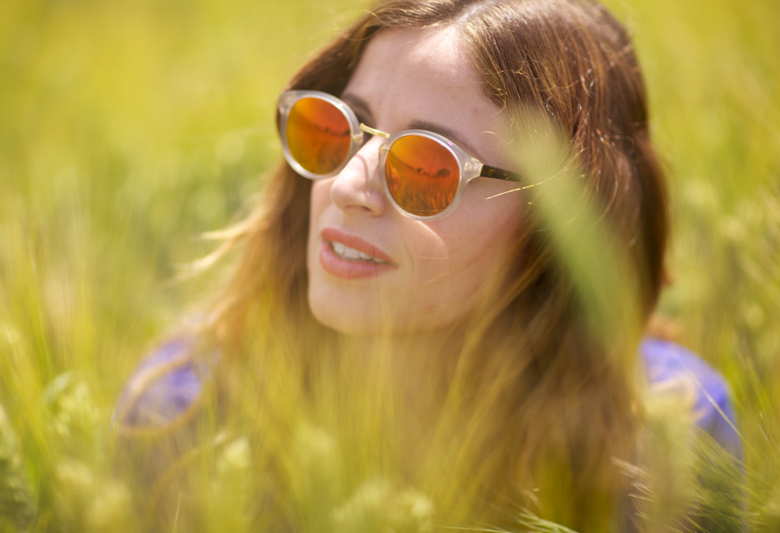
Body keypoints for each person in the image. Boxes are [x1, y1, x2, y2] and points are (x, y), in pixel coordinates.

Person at [114, 0, 742, 530]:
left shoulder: (668, 441)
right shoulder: (184, 422)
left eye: (428, 166)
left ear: (557, 225)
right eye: (340, 128)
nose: (348, 185)